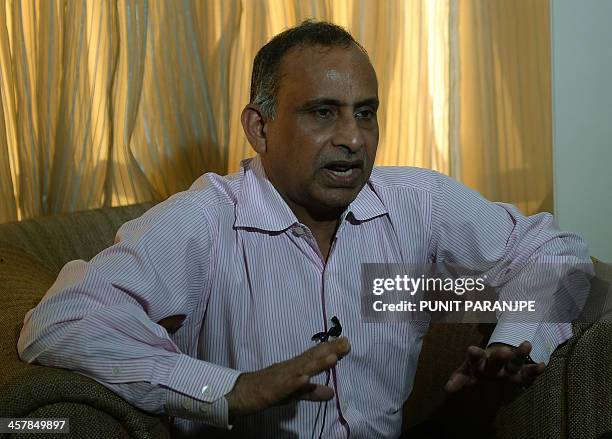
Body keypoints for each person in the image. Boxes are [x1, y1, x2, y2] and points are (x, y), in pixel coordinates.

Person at [18, 20, 592, 438]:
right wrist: (228, 389)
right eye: (324, 113)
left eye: (365, 112)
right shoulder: (207, 222)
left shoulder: (418, 202)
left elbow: (556, 255)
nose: (354, 138)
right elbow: (58, 322)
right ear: (259, 128)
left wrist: (514, 342)